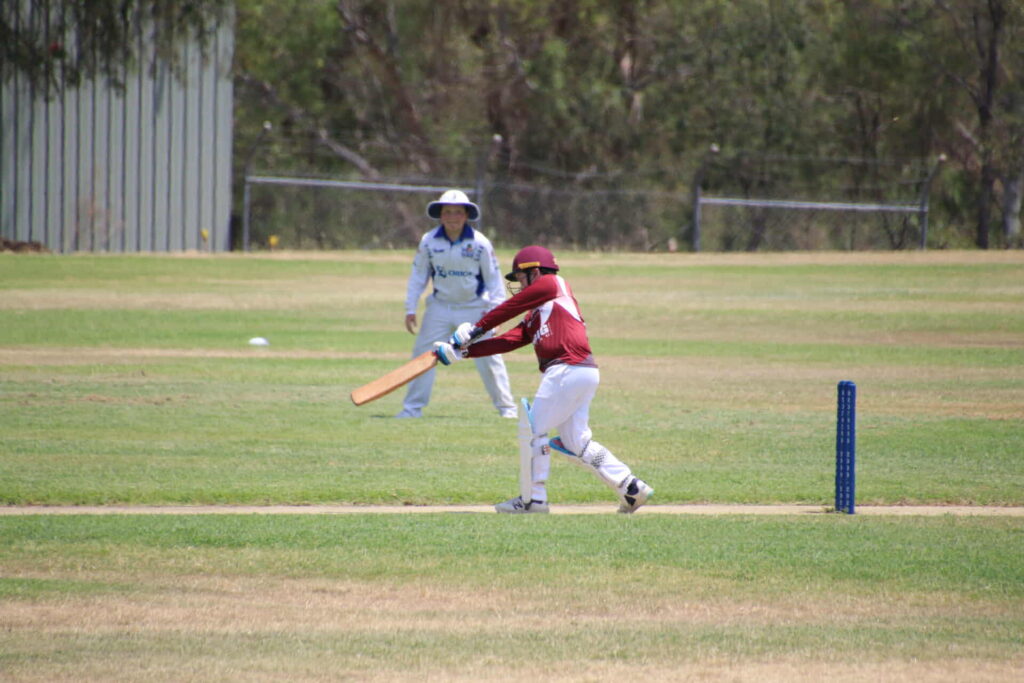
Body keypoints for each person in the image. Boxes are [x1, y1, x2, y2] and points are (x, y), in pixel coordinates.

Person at [433, 245, 653, 514]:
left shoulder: (553, 283)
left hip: (566, 368)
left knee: (532, 430)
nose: (519, 286)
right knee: (576, 442)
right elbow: (510, 340)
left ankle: (533, 500)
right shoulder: (537, 312)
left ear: (535, 272)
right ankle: (630, 488)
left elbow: (508, 307)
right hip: (581, 372)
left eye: (520, 279)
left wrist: (475, 329)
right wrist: (464, 351)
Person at [396, 189, 517, 419]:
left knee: (489, 357)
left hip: (474, 309)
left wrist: (496, 315)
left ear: (466, 215)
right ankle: (411, 410)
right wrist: (410, 308)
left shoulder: (480, 243)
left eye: (458, 212)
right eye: (448, 212)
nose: (453, 217)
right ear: (440, 215)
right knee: (423, 356)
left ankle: (507, 410)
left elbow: (493, 280)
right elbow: (418, 276)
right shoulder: (429, 241)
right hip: (440, 307)